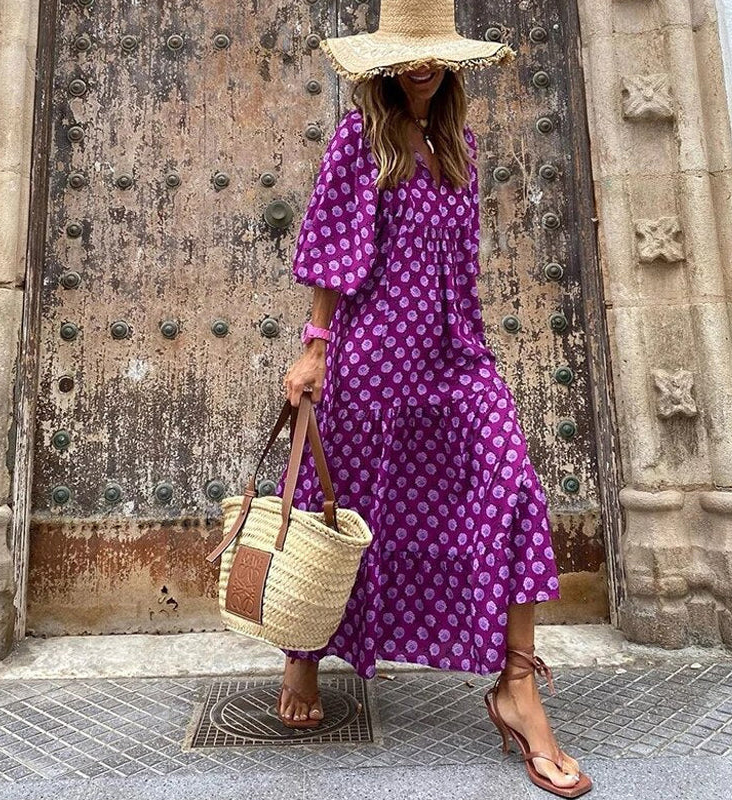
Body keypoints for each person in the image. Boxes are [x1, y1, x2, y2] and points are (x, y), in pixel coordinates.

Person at [273, 1, 592, 796]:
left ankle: (517, 685)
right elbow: (330, 252)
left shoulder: (460, 146)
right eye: (408, 55)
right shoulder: (359, 140)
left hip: (453, 355)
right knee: (337, 504)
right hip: (372, 357)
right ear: (383, 64)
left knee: (513, 485)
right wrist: (315, 350)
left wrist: (475, 347)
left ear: (451, 62)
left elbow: (463, 270)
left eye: (434, 55)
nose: (422, 67)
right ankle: (303, 656)